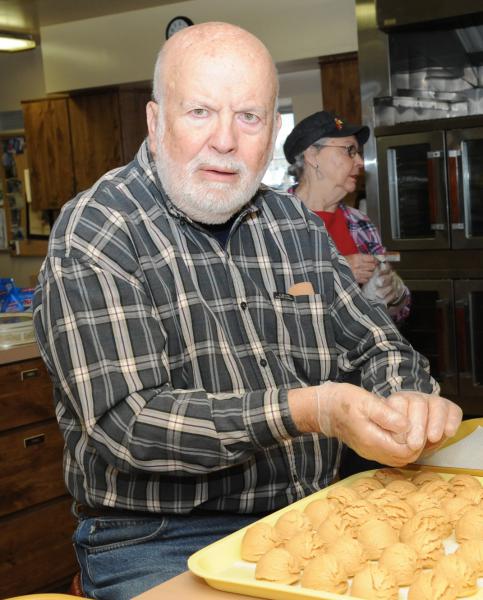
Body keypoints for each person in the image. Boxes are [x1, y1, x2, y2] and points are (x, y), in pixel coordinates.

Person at [33, 22, 462, 600]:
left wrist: (405, 396)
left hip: (313, 510)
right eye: (201, 112)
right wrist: (314, 411)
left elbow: (376, 345)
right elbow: (128, 424)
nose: (226, 142)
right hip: (157, 538)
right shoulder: (99, 228)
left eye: (250, 117)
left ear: (271, 131)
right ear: (156, 123)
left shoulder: (293, 225)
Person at [283, 110, 410, 324]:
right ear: (313, 156)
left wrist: (396, 296)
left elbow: (395, 313)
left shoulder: (360, 223)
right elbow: (265, 303)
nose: (360, 161)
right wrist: (335, 274)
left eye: (358, 152)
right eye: (349, 150)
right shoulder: (272, 222)